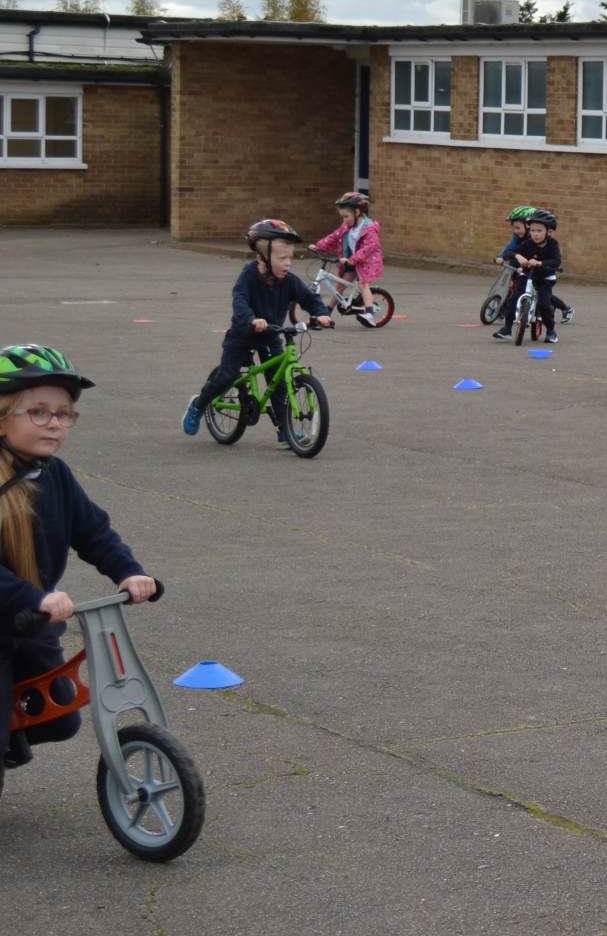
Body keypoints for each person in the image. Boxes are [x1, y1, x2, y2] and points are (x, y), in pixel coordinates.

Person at [1, 345, 158, 774]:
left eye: (63, 413)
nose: (54, 423)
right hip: (16, 611)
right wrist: (32, 597)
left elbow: (92, 532)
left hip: (31, 624)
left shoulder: (56, 475)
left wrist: (128, 571)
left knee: (60, 717)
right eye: (37, 412)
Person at [181, 220, 332, 443]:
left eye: (290, 258)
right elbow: (240, 300)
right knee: (227, 376)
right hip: (243, 335)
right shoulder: (249, 276)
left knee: (280, 382)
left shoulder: (288, 281)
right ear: (262, 257)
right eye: (282, 259)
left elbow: (309, 297)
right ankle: (199, 404)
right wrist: (251, 320)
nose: (288, 263)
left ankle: (284, 429)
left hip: (271, 336)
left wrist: (321, 313)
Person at [310, 190, 384, 315]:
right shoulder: (346, 226)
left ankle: (369, 313)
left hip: (367, 262)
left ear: (357, 212)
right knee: (340, 285)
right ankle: (327, 311)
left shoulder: (369, 229)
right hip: (352, 262)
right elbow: (334, 237)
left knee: (362, 284)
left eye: (346, 216)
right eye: (342, 217)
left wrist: (351, 260)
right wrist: (318, 247)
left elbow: (367, 249)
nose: (344, 220)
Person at [496, 210, 563, 343]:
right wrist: (517, 256)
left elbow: (556, 261)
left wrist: (540, 263)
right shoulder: (527, 243)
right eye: (532, 230)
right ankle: (507, 329)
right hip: (528, 275)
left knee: (545, 303)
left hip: (545, 278)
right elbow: (510, 251)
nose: (535, 234)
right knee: (513, 298)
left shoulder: (553, 245)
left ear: (548, 232)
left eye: (539, 231)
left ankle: (551, 331)